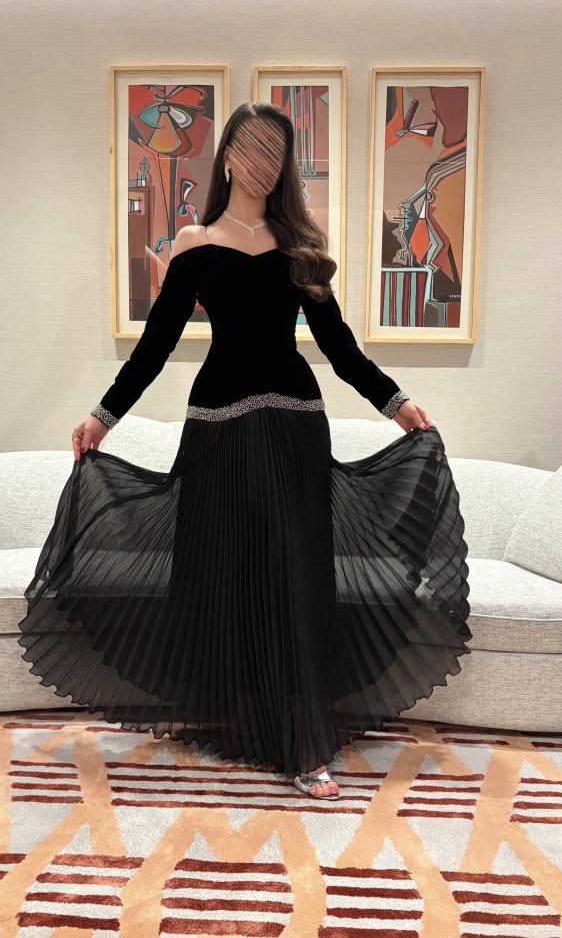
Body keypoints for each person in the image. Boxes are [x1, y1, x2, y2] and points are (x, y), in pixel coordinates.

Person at [18, 102, 471, 802]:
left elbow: (339, 346)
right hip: (218, 431)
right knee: (224, 571)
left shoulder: (299, 245)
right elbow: (156, 344)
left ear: (283, 165)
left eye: (274, 152)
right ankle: (243, 717)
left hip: (295, 428)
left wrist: (395, 402)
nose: (261, 162)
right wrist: (102, 416)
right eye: (250, 147)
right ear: (227, 154)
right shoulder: (193, 243)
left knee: (294, 576)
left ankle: (303, 741)